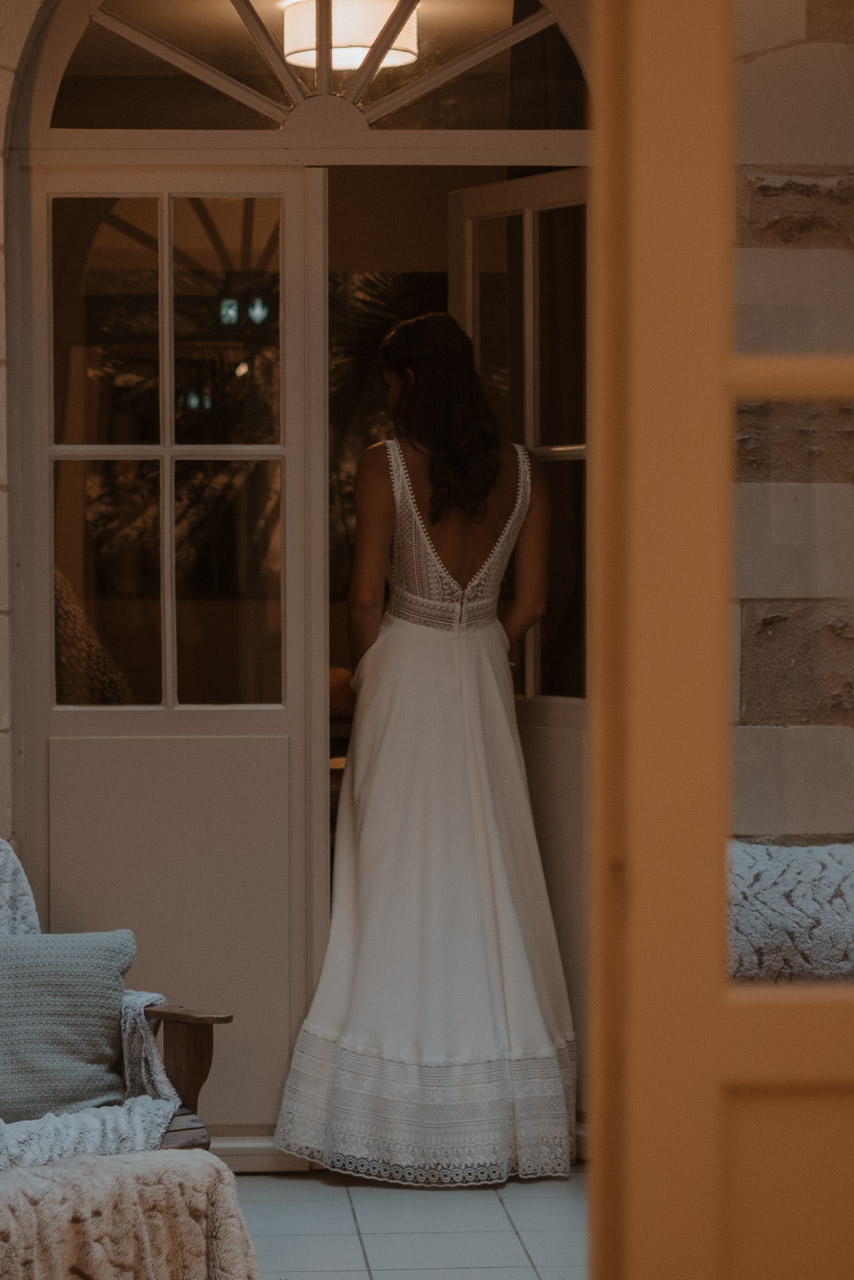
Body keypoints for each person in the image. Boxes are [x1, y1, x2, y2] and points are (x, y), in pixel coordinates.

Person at [273, 313, 577, 1186]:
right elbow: (535, 600)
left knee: (395, 868)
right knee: (486, 864)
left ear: (408, 380)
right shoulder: (521, 471)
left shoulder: (385, 464)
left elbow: (366, 595)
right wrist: (478, 639)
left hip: (404, 665)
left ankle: (390, 1112)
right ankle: (499, 1105)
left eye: (392, 378)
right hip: (479, 665)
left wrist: (376, 667)